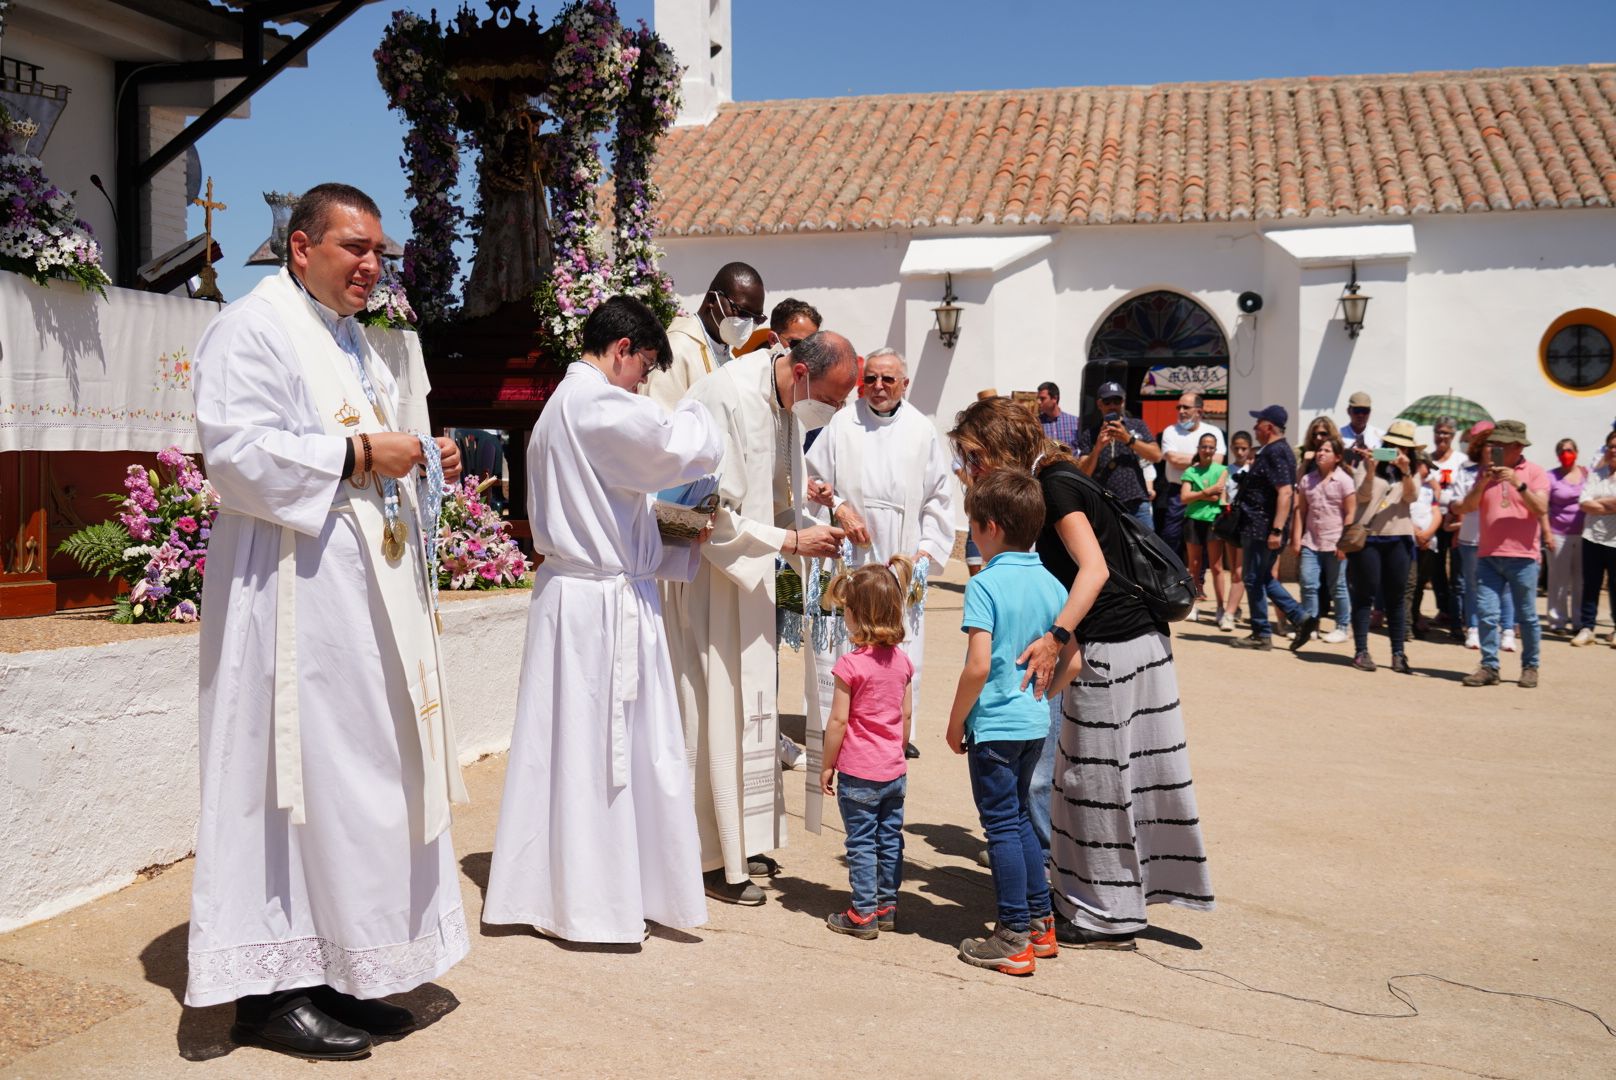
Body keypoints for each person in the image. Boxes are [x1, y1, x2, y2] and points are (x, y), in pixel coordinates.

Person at [187, 183, 468, 1060]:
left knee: (349, 789)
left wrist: (424, 457)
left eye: (379, 251)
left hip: (352, 606)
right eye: (355, 248)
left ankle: (342, 969)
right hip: (287, 603)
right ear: (301, 246)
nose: (371, 266)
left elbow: (378, 449)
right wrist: (355, 454)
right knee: (289, 785)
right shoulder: (254, 326)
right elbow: (231, 453)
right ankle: (268, 997)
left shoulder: (350, 341)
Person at [483, 297, 722, 943]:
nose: (644, 386)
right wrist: (711, 406)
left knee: (576, 750)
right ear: (622, 350)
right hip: (597, 609)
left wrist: (675, 538)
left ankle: (578, 888)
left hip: (584, 598)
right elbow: (677, 449)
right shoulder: (595, 403)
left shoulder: (569, 402)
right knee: (602, 752)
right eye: (644, 370)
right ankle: (594, 902)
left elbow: (619, 509)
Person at [949, 398, 1212, 955]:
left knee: (1096, 780)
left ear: (1002, 444)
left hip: (1116, 645)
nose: (974, 469)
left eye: (976, 456)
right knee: (1101, 777)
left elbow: (1092, 568)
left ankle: (1104, 916)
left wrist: (1057, 637)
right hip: (1126, 643)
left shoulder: (1057, 485)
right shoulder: (1053, 479)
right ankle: (1101, 902)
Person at [666, 331, 857, 905]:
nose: (841, 407)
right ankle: (704, 856)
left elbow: (777, 496)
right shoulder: (721, 397)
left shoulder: (786, 406)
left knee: (751, 712)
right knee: (710, 712)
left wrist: (810, 529)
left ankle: (740, 839)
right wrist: (791, 538)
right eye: (837, 394)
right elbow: (688, 510)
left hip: (749, 582)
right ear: (800, 372)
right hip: (708, 584)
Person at [944, 469, 1068, 975]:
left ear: (990, 527)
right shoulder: (1053, 583)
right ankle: (1041, 924)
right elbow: (1073, 662)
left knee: (999, 826)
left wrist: (955, 723)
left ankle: (1013, 934)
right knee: (1017, 818)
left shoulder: (985, 584)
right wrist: (1040, 696)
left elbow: (977, 665)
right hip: (1034, 722)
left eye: (972, 525)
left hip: (993, 726)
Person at [806, 347, 954, 759]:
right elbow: (813, 483)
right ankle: (839, 728)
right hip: (853, 556)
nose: (878, 386)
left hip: (901, 558)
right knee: (847, 641)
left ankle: (896, 731)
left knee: (901, 644)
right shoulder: (842, 422)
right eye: (870, 378)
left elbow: (938, 500)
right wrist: (838, 507)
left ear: (904, 384)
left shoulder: (921, 429)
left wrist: (924, 554)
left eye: (888, 379)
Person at [818, 557, 917, 939]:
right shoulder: (903, 662)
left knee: (860, 842)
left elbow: (839, 722)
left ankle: (862, 913)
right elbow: (905, 716)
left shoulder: (850, 666)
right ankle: (886, 904)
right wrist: (897, 749)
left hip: (859, 772)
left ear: (857, 615)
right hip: (893, 771)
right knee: (889, 839)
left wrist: (828, 764)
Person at [1458, 420, 1549, 688]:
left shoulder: (1534, 472)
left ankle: (1530, 666)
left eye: (1501, 445)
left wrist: (1519, 484)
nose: (1493, 448)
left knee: (1527, 616)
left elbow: (1541, 508)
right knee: (1486, 613)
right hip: (1488, 554)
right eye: (1493, 444)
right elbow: (1466, 506)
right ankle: (1489, 666)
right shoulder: (1484, 474)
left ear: (1518, 447)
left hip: (1523, 557)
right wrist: (1482, 482)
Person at [1343, 420, 1420, 673]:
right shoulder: (1368, 463)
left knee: (1396, 598)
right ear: (1385, 444)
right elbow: (1362, 497)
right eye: (1393, 446)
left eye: (1403, 448)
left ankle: (1399, 653)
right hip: (1370, 538)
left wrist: (1406, 471)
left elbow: (1411, 497)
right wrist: (1371, 468)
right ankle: (1361, 651)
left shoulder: (1411, 469)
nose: (1398, 451)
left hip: (1399, 537)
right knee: (1365, 594)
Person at [641, 261, 765, 412]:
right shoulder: (676, 350)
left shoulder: (728, 356)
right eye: (742, 313)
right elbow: (661, 421)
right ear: (712, 300)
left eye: (758, 319)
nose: (748, 323)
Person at [1232, 405, 1307, 650]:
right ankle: (1299, 619)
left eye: (1258, 423)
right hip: (1259, 526)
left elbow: (1285, 492)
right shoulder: (1274, 451)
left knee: (1253, 579)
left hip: (1262, 528)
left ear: (1269, 427)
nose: (1254, 428)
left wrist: (1276, 530)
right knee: (1260, 578)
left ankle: (1262, 633)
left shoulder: (1276, 452)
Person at [1291, 432, 1355, 652]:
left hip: (1335, 542)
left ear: (1337, 457)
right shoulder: (1308, 480)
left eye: (1327, 451)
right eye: (1319, 450)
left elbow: (1350, 514)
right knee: (1308, 584)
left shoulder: (1345, 481)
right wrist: (1297, 538)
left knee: (1337, 586)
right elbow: (1301, 510)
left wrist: (1344, 544)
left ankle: (1342, 626)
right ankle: (1311, 624)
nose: (1320, 453)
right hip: (1311, 540)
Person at [1075, 380, 1163, 530]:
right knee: (1110, 552)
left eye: (1117, 400)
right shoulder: (1090, 434)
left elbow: (1156, 456)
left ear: (1123, 402)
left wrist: (1128, 439)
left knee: (1148, 549)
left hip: (1137, 502)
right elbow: (1083, 473)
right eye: (1107, 401)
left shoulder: (1137, 425)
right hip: (1105, 503)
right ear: (1099, 404)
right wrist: (1098, 447)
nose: (1112, 406)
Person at [1159, 391, 1226, 559]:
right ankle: (1172, 578)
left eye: (1186, 407)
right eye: (1179, 407)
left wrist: (1188, 459)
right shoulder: (1170, 431)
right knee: (1171, 535)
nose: (1181, 411)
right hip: (1177, 493)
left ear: (1199, 411)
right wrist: (1203, 460)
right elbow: (1172, 459)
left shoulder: (1214, 432)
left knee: (1200, 540)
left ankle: (1198, 581)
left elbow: (1217, 461)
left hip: (1205, 494)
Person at [1179, 432, 1229, 625]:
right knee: (1194, 565)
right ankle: (1193, 606)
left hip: (1214, 521)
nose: (1207, 450)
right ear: (1198, 449)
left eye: (1211, 447)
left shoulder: (1222, 469)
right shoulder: (1190, 471)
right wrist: (1207, 492)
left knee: (1217, 567)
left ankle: (1221, 608)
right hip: (1193, 520)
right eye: (1204, 446)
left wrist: (1197, 494)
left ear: (1215, 450)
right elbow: (1184, 497)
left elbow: (1219, 496)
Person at [1575, 429, 1616, 646]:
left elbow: (1592, 503)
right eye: (1611, 446)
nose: (1614, 450)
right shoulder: (1596, 473)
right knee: (1590, 584)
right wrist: (1610, 505)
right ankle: (1587, 628)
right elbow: (1583, 503)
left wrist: (1597, 505)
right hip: (1591, 537)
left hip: (1615, 540)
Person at [1546, 437, 1587, 635]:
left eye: (1570, 450)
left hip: (1583, 534)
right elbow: (1543, 507)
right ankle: (1557, 621)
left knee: (1580, 580)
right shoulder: (1550, 477)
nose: (1566, 454)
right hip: (1558, 534)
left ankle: (1580, 621)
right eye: (1562, 451)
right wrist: (1546, 534)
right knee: (1558, 580)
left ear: (1577, 452)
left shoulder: (1587, 474)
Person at [1219, 430, 1253, 632]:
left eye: (1244, 448)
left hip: (1247, 524)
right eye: (1236, 448)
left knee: (1239, 571)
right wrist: (1225, 507)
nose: (1240, 452)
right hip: (1231, 523)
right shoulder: (1227, 470)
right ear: (1231, 448)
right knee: (1233, 571)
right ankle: (1236, 607)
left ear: (1249, 449)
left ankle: (1229, 614)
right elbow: (1222, 494)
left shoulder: (1254, 469)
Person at [1036, 381, 1082, 454]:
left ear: (1054, 398)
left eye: (1042, 399)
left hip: (1071, 464)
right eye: (1038, 398)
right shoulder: (1036, 424)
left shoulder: (1074, 422)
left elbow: (1084, 449)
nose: (1038, 402)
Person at [1340, 390, 1384, 462]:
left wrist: (1373, 454)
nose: (1361, 415)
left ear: (1370, 412)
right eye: (1357, 411)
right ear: (1348, 411)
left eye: (1365, 411)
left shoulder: (1380, 436)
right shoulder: (1338, 435)